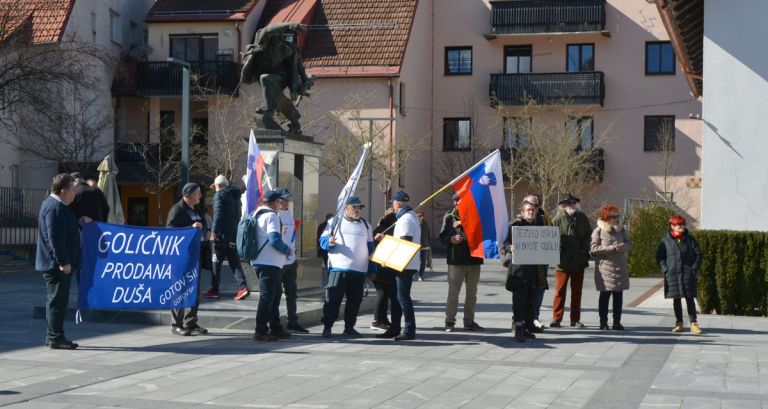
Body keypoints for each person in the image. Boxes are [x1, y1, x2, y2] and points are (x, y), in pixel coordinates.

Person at [36, 173, 85, 349]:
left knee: (56, 301)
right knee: (57, 302)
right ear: (63, 191)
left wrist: (80, 221)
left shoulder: (59, 206)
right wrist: (63, 262)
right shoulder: (55, 208)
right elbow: (54, 239)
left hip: (58, 264)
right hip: (57, 265)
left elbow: (66, 229)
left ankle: (53, 336)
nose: (75, 193)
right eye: (73, 190)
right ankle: (56, 337)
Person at [319, 196, 375, 338]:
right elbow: (323, 240)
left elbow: (371, 248)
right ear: (346, 208)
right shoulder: (334, 222)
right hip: (338, 269)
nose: (357, 210)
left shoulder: (366, 225)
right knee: (333, 300)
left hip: (359, 271)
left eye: (359, 207)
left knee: (355, 301)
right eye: (354, 207)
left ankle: (349, 327)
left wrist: (372, 269)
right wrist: (328, 243)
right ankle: (327, 327)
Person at [166, 183, 210, 336]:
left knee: (194, 289)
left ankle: (190, 322)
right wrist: (190, 227)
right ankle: (176, 324)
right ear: (189, 195)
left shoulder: (196, 209)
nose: (201, 196)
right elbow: (170, 231)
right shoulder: (177, 210)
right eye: (198, 193)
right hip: (181, 257)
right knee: (180, 288)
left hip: (195, 256)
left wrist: (207, 232)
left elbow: (201, 226)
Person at [250, 188, 293, 341]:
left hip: (260, 260)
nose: (280, 204)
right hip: (269, 262)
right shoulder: (272, 216)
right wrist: (287, 250)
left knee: (274, 295)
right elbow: (274, 239)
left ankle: (275, 327)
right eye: (279, 202)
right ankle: (260, 330)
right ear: (275, 202)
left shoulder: (256, 214)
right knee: (268, 297)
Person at [439, 193, 484, 332]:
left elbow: (481, 234)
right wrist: (451, 239)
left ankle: (469, 321)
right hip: (456, 261)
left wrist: (464, 225)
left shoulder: (477, 215)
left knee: (472, 293)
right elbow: (442, 237)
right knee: (453, 293)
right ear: (455, 203)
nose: (459, 204)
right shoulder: (449, 216)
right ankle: (449, 321)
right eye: (457, 201)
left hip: (474, 260)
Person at [503, 200, 545, 342]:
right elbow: (505, 243)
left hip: (533, 269)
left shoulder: (539, 225)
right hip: (519, 271)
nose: (531, 212)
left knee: (530, 301)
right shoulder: (515, 225)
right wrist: (510, 248)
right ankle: (518, 329)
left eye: (532, 210)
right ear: (523, 211)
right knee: (519, 301)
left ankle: (526, 328)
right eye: (528, 210)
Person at [381, 191, 420, 341]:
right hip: (405, 264)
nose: (392, 206)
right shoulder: (409, 217)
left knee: (403, 298)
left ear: (397, 204)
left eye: (393, 203)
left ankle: (409, 329)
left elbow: (404, 243)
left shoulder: (405, 219)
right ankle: (395, 328)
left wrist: (389, 259)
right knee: (396, 297)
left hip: (404, 264)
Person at [550, 193, 592, 328]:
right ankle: (556, 318)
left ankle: (575, 319)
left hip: (579, 261)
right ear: (563, 205)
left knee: (577, 292)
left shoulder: (582, 218)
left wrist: (584, 249)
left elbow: (588, 236)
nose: (571, 206)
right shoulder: (557, 219)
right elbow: (551, 238)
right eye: (568, 203)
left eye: (573, 203)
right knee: (559, 291)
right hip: (562, 262)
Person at [206, 175, 251, 300]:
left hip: (221, 235)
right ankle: (243, 287)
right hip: (233, 233)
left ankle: (214, 290)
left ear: (217, 185)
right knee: (234, 260)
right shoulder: (235, 196)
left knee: (216, 261)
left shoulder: (219, 196)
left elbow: (218, 215)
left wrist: (214, 232)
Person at [657, 215, 703, 335]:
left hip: (687, 273)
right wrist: (666, 270)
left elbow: (699, 254)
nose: (682, 226)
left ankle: (694, 323)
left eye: (683, 224)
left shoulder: (690, 239)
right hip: (672, 274)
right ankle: (679, 323)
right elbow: (659, 257)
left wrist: (693, 268)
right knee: (676, 299)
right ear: (672, 226)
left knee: (690, 298)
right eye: (679, 225)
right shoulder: (665, 240)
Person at [590, 205, 631, 330]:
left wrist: (622, 247)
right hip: (605, 269)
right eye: (613, 217)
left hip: (620, 268)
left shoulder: (621, 230)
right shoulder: (598, 231)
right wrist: (611, 249)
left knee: (618, 297)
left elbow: (629, 243)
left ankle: (617, 322)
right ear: (606, 218)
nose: (616, 219)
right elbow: (594, 249)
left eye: (617, 216)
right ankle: (603, 322)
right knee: (605, 296)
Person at [278, 189, 308, 334]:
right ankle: (274, 322)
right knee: (276, 294)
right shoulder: (273, 215)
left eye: (287, 199)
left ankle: (293, 321)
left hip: (291, 261)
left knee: (291, 292)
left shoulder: (289, 214)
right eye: (283, 199)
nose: (286, 202)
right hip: (278, 262)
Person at [524, 194, 550, 330]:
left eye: (537, 204)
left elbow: (551, 237)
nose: (534, 207)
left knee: (539, 291)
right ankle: (520, 321)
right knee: (524, 293)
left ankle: (534, 318)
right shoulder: (518, 221)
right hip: (524, 266)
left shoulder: (544, 219)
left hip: (540, 263)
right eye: (531, 204)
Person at [371, 207, 397, 331]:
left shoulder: (382, 228)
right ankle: (376, 320)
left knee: (385, 293)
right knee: (381, 293)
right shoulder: (384, 230)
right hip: (381, 266)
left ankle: (383, 319)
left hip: (383, 266)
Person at [317, 212, 334, 288]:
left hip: (327, 249)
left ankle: (329, 278)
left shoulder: (324, 225)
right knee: (328, 264)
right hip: (326, 248)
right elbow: (320, 237)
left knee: (328, 264)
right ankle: (329, 280)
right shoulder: (325, 226)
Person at [415, 211, 432, 281]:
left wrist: (429, 245)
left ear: (423, 217)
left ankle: (420, 275)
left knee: (423, 261)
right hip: (415, 246)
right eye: (418, 216)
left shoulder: (426, 224)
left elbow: (428, 234)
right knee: (415, 262)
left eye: (421, 216)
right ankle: (414, 274)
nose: (419, 217)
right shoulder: (414, 224)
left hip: (425, 246)